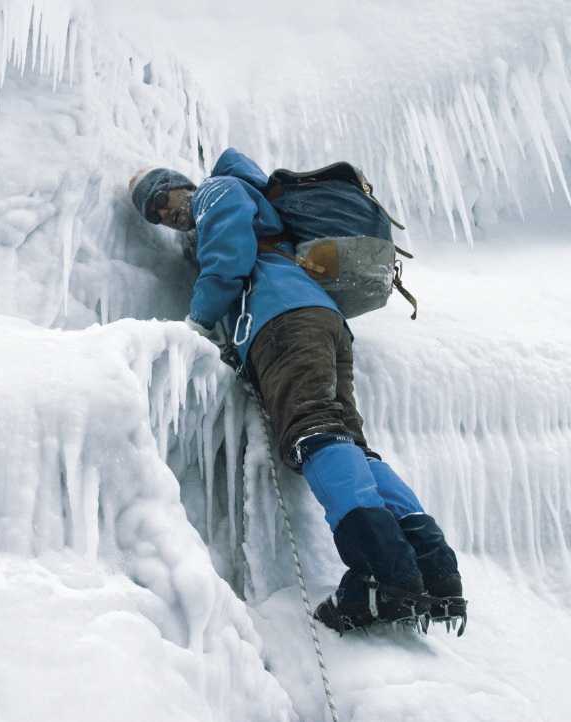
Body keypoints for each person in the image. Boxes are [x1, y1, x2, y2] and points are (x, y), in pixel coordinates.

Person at [129, 149, 464, 631]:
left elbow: (229, 255)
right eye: (153, 212)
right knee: (350, 444)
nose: (164, 212)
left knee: (315, 432)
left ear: (181, 183)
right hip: (319, 320)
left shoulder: (217, 190)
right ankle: (434, 572)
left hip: (279, 319)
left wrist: (198, 323)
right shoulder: (261, 207)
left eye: (162, 197)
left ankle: (382, 573)